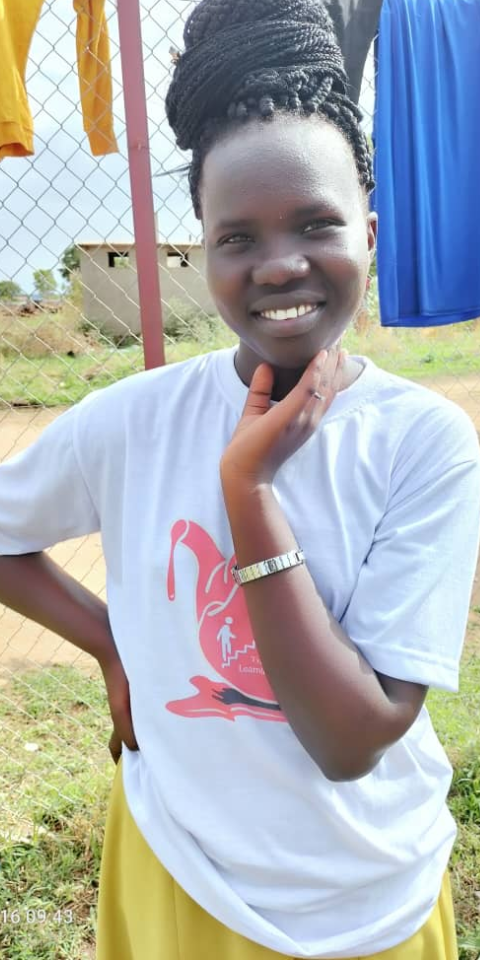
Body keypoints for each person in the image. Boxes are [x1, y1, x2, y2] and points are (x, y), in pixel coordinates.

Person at [0, 1, 479, 958]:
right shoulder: (131, 420)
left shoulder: (422, 443)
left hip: (368, 898)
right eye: (238, 238)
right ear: (204, 252)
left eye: (317, 224)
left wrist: (250, 496)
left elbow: (353, 739)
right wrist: (114, 644)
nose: (281, 264)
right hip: (179, 868)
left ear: (370, 233)